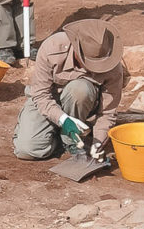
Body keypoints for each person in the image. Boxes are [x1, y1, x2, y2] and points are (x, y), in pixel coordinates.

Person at [13, 19, 126, 162]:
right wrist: (62, 119)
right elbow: (41, 95)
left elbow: (107, 112)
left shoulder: (112, 66)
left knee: (79, 89)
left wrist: (98, 143)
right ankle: (56, 134)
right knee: (27, 150)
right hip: (48, 101)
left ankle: (71, 142)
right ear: (76, 48)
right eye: (89, 62)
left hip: (82, 102)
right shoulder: (52, 48)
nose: (94, 68)